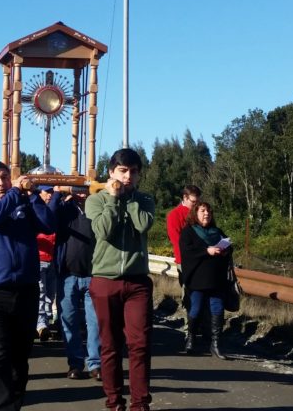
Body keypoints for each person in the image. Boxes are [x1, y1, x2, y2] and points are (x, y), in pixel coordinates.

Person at [0, 160, 55, 411]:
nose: (1, 183)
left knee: (21, 356)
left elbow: (49, 225)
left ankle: (14, 406)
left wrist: (34, 195)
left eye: (5, 177)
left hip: (26, 289)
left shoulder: (22, 202)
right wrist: (17, 192)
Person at [85, 148, 155, 411]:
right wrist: (114, 199)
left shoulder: (145, 199)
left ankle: (140, 403)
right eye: (123, 171)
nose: (128, 176)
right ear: (111, 172)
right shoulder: (96, 200)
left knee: (139, 344)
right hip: (105, 280)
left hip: (137, 282)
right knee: (110, 344)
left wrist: (130, 199)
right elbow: (102, 230)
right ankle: (114, 401)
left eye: (134, 172)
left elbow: (143, 225)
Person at [54, 189, 102, 381]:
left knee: (95, 322)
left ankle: (96, 364)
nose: (82, 195)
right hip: (67, 274)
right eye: (78, 191)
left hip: (94, 273)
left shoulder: (98, 209)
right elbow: (49, 217)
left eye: (85, 191)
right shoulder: (65, 210)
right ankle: (75, 363)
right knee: (68, 321)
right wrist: (60, 196)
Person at [179, 201, 233, 360]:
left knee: (217, 309)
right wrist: (206, 251)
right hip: (197, 280)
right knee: (195, 309)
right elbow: (187, 251)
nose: (206, 214)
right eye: (203, 211)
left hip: (216, 279)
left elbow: (229, 248)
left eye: (209, 211)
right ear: (195, 213)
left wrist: (225, 250)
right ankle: (191, 338)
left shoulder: (217, 232)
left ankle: (215, 344)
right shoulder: (188, 231)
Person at [166, 185, 202, 307]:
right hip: (185, 260)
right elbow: (176, 240)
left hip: (202, 258)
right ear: (185, 198)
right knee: (189, 292)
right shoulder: (174, 215)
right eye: (193, 201)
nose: (196, 204)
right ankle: (190, 322)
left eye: (197, 201)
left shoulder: (200, 212)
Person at [35, 185, 58, 341]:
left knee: (50, 293)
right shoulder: (35, 209)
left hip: (53, 258)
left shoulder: (55, 209)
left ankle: (47, 322)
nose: (49, 195)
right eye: (46, 192)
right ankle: (41, 325)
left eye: (51, 192)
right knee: (41, 293)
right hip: (39, 258)